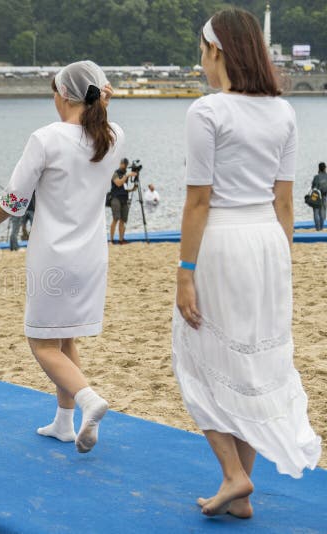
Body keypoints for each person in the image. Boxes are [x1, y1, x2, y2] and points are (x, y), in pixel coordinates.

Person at [173, 9, 321, 519]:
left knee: (197, 356)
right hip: (267, 242)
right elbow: (285, 202)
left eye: (202, 49)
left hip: (223, 240)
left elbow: (198, 201)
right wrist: (283, 262)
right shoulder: (283, 112)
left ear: (217, 51)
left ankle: (233, 475)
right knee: (253, 361)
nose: (201, 60)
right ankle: (242, 490)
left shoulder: (207, 111)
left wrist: (184, 272)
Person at [0, 61, 123, 454]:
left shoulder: (46, 138)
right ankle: (65, 423)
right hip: (91, 254)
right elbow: (100, 120)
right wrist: (103, 97)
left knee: (42, 344)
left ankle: (87, 399)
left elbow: (14, 201)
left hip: (53, 254)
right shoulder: (114, 135)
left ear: (63, 95)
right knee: (64, 337)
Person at [109, 158, 137, 244]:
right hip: (115, 198)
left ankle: (121, 240)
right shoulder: (115, 173)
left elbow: (124, 188)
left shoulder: (125, 174)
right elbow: (118, 183)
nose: (124, 166)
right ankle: (111, 240)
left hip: (124, 198)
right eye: (123, 164)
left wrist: (133, 189)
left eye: (125, 164)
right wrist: (128, 175)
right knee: (116, 218)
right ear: (120, 164)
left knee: (123, 220)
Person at [310, 163, 327, 231]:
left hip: (316, 196)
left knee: (316, 212)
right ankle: (322, 228)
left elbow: (313, 187)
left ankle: (318, 228)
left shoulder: (316, 177)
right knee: (322, 212)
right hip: (324, 196)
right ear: (325, 168)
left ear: (319, 168)